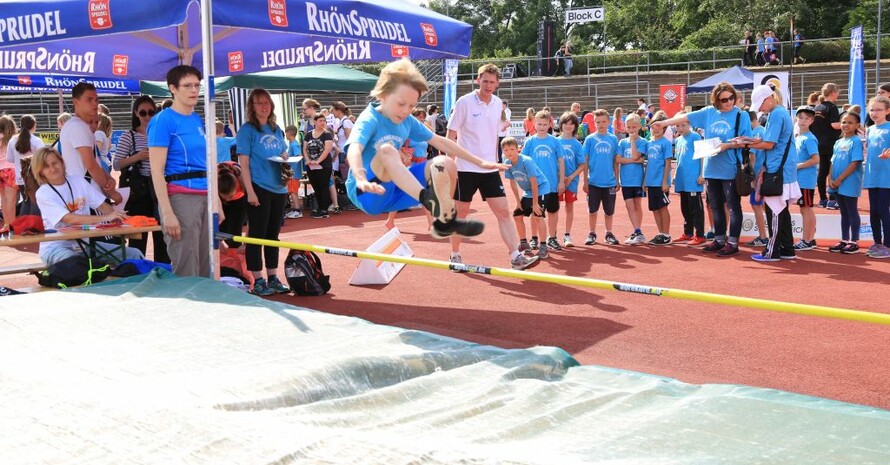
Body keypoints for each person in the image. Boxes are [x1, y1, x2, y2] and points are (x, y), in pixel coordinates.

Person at [345, 59, 506, 247]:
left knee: (445, 163)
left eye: (412, 106)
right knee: (387, 150)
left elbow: (440, 141)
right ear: (384, 95)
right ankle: (430, 202)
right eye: (401, 104)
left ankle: (445, 220)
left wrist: (480, 162)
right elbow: (354, 149)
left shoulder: (407, 120)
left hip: (395, 193)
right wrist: (360, 176)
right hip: (366, 191)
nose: (406, 111)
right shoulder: (369, 119)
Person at [447, 63, 536, 270]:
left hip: (489, 168)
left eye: (492, 82)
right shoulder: (464, 102)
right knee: (461, 214)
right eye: (484, 81)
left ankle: (515, 256)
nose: (488, 85)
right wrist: (448, 163)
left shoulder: (497, 104)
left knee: (504, 212)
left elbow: (496, 131)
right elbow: (451, 134)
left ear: (497, 83)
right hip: (465, 168)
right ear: (477, 80)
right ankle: (455, 254)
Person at [653, 82, 751, 257]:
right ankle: (719, 239)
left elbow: (746, 141)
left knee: (733, 207)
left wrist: (726, 145)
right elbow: (685, 117)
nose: (728, 102)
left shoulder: (741, 115)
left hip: (730, 168)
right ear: (716, 101)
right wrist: (663, 123)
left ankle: (733, 242)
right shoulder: (708, 112)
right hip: (711, 168)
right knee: (715, 207)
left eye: (731, 98)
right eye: (723, 100)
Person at [148, 64, 213, 277]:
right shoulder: (162, 121)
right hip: (181, 197)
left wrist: (217, 202)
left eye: (196, 85)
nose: (194, 90)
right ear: (173, 89)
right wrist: (167, 213)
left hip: (205, 195)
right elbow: (156, 171)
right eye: (187, 86)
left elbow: (206, 162)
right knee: (186, 266)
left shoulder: (196, 119)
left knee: (206, 265)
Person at [31, 147, 143, 266]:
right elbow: (69, 219)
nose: (53, 169)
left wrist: (127, 220)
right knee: (78, 265)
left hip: (86, 246)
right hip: (55, 248)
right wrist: (106, 218)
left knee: (134, 254)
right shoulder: (43, 193)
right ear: (40, 172)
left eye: (55, 163)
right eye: (46, 166)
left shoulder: (79, 181)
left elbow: (102, 206)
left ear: (62, 162)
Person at [237, 88, 292, 296]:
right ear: (252, 106)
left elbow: (282, 151)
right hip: (259, 187)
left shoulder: (275, 128)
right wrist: (249, 191)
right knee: (257, 236)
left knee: (273, 236)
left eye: (266, 102)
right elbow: (244, 163)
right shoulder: (248, 130)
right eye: (259, 103)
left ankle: (273, 276)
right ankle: (258, 280)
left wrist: (286, 156)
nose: (263, 106)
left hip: (279, 188)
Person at [745, 85, 800, 262]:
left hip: (778, 169)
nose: (759, 109)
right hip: (782, 168)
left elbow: (769, 144)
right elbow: (770, 141)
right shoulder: (779, 113)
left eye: (760, 104)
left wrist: (746, 144)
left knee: (774, 210)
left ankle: (772, 250)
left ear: (769, 98)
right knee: (781, 210)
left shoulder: (777, 114)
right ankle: (787, 248)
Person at [113, 95, 169, 263]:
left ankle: (164, 273)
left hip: (158, 189)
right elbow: (116, 164)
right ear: (136, 114)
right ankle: (137, 273)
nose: (147, 117)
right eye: (143, 113)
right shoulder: (128, 136)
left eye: (151, 112)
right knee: (138, 237)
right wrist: (137, 156)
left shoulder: (161, 134)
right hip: (138, 193)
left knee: (162, 236)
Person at [61, 83, 122, 204]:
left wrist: (108, 178)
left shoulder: (77, 125)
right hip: (88, 195)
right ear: (75, 102)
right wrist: (112, 193)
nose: (95, 104)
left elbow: (93, 162)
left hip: (85, 193)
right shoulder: (78, 127)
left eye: (96, 99)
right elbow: (91, 165)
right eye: (89, 100)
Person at [521, 110, 565, 252]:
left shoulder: (555, 141)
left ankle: (552, 238)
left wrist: (561, 181)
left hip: (552, 183)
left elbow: (561, 161)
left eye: (545, 124)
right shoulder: (530, 142)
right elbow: (523, 161)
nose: (541, 127)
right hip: (535, 185)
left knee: (553, 211)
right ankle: (534, 238)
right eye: (539, 124)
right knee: (535, 213)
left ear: (550, 125)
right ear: (534, 124)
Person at [384, 108, 433, 231]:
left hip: (421, 164)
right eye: (419, 116)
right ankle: (389, 221)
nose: (422, 119)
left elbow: (426, 147)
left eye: (423, 116)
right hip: (410, 164)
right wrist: (405, 157)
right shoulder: (406, 132)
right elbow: (395, 146)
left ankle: (431, 223)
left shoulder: (423, 132)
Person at [503, 137, 547, 262]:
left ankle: (544, 246)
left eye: (512, 149)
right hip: (528, 191)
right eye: (506, 150)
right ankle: (524, 243)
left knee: (538, 215)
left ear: (518, 149)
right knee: (517, 215)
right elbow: (513, 184)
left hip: (541, 188)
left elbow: (534, 181)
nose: (509, 152)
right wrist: (518, 203)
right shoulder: (507, 163)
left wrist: (535, 203)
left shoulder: (526, 161)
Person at [582, 109, 621, 246]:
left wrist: (617, 179)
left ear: (609, 122)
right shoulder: (590, 139)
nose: (601, 124)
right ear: (594, 123)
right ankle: (592, 233)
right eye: (598, 122)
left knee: (609, 211)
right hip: (593, 181)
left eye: (604, 121)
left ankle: (608, 233)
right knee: (592, 210)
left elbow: (616, 161)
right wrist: (585, 180)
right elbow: (585, 161)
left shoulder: (613, 139)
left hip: (609, 182)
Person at [827, 111, 864, 254]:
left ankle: (854, 241)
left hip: (849, 182)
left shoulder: (855, 141)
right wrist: (830, 178)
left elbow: (855, 163)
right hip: (836, 182)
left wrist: (840, 179)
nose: (846, 125)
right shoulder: (838, 142)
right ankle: (844, 239)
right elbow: (832, 162)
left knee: (851, 210)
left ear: (856, 125)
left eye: (850, 122)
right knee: (843, 212)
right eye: (843, 122)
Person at [672, 113, 706, 245]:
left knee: (695, 208)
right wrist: (675, 175)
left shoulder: (695, 137)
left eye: (683, 125)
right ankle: (688, 232)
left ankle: (700, 235)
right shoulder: (679, 140)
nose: (680, 128)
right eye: (678, 125)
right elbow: (679, 159)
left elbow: (702, 155)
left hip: (693, 179)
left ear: (689, 124)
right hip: (682, 179)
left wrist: (702, 174)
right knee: (685, 207)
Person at [863, 95, 890, 259]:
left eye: (878, 110)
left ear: (887, 111)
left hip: (887, 177)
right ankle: (877, 242)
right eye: (872, 110)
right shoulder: (870, 129)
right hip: (872, 176)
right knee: (874, 211)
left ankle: (887, 244)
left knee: (883, 211)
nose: (874, 113)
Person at [617, 113, 647, 244]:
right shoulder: (622, 142)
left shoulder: (643, 141)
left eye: (634, 126)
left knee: (637, 204)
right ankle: (637, 230)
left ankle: (637, 230)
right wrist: (635, 161)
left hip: (638, 179)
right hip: (626, 179)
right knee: (629, 205)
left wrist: (633, 142)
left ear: (639, 126)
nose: (631, 129)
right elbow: (618, 159)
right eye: (629, 127)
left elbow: (636, 155)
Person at [793, 105, 820, 251]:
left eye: (807, 118)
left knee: (806, 209)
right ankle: (810, 238)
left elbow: (816, 159)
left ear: (812, 120)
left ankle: (807, 239)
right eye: (801, 117)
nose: (803, 120)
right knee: (806, 209)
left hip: (805, 180)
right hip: (800, 179)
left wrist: (797, 166)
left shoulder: (809, 139)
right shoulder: (799, 137)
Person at [811, 83, 842, 208]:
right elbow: (834, 125)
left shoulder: (817, 107)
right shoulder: (832, 107)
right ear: (833, 92)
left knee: (822, 172)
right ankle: (832, 198)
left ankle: (823, 198)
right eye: (838, 91)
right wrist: (846, 123)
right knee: (831, 171)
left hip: (819, 143)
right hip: (830, 143)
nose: (838, 94)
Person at [645, 111, 674, 245]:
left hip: (660, 182)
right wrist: (645, 181)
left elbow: (668, 163)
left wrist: (664, 181)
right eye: (653, 126)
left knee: (663, 207)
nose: (655, 129)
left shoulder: (666, 143)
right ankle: (660, 233)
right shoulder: (649, 143)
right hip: (650, 182)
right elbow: (648, 163)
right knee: (655, 209)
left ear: (664, 128)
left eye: (659, 126)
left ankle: (666, 234)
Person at [557, 112, 585, 247]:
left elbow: (582, 165)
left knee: (569, 206)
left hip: (572, 181)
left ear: (575, 126)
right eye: (565, 123)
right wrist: (560, 178)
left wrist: (570, 177)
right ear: (560, 125)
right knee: (553, 208)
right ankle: (553, 235)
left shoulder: (577, 144)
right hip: (556, 181)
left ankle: (567, 235)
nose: (568, 126)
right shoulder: (555, 141)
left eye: (571, 124)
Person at [6, 115, 45, 211]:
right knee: (35, 202)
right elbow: (44, 158)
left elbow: (9, 158)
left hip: (20, 177)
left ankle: (25, 224)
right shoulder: (36, 141)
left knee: (26, 201)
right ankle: (33, 224)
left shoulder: (13, 140)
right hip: (35, 177)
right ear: (33, 125)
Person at [745, 111, 769, 247]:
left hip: (759, 173)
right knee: (765, 205)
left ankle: (763, 236)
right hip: (766, 171)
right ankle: (769, 234)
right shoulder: (764, 131)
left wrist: (752, 175)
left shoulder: (755, 133)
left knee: (756, 205)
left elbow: (752, 156)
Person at [303, 114, 334, 219]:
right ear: (314, 122)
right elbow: (305, 148)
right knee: (316, 187)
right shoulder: (308, 134)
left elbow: (327, 149)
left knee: (324, 187)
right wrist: (307, 159)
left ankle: (324, 210)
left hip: (324, 166)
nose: (322, 122)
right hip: (311, 166)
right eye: (320, 120)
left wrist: (318, 161)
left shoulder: (327, 134)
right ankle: (319, 208)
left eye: (324, 121)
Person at [217, 161, 247, 249]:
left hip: (239, 199)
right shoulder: (214, 176)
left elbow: (247, 194)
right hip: (219, 200)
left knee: (235, 228)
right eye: (225, 197)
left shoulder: (240, 176)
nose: (228, 199)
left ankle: (235, 250)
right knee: (222, 227)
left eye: (230, 196)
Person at [0, 115, 18, 233]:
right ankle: (12, 225)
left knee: (4, 199)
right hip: (11, 169)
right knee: (11, 200)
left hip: (0, 169)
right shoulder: (14, 139)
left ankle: (7, 224)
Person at [283, 125, 304, 219]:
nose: (285, 135)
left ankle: (297, 210)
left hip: (293, 172)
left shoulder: (294, 144)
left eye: (286, 133)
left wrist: (289, 159)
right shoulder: (293, 144)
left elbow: (299, 155)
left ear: (289, 133)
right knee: (292, 191)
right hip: (293, 172)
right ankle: (296, 209)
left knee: (293, 192)